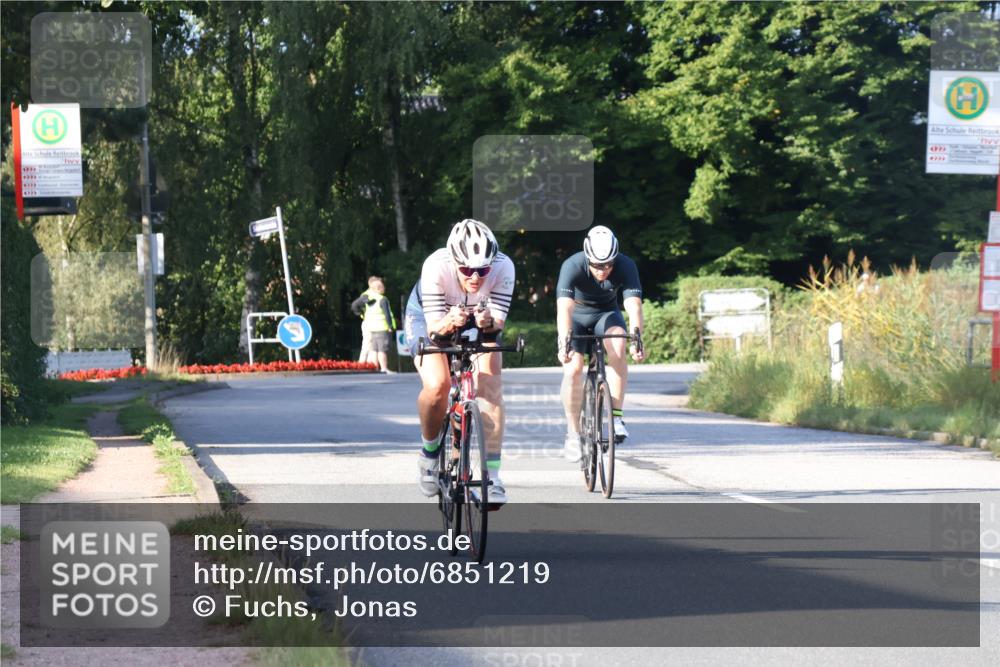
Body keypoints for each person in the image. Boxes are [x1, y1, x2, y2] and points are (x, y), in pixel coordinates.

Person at [404, 219, 515, 505]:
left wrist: (489, 322)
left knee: (490, 388)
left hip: (477, 318)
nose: (476, 277)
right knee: (438, 385)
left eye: (483, 270)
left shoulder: (504, 266)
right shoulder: (435, 266)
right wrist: (447, 323)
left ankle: (493, 476)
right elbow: (434, 331)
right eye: (467, 270)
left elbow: (496, 328)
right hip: (431, 318)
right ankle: (429, 454)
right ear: (454, 261)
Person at [556, 225, 645, 464]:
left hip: (606, 314)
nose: (603, 270)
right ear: (588, 258)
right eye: (597, 265)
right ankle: (573, 434)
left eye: (608, 265)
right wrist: (563, 341)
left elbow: (634, 305)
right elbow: (564, 307)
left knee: (618, 346)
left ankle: (615, 418)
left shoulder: (626, 265)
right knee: (573, 369)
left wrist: (637, 338)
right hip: (576, 316)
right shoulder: (572, 265)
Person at [351, 276, 396, 372]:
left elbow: (355, 306)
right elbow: (386, 314)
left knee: (373, 349)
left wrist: (361, 314)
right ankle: (380, 368)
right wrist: (390, 326)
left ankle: (373, 368)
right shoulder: (379, 298)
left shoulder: (368, 295)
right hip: (380, 327)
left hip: (371, 326)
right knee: (380, 349)